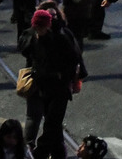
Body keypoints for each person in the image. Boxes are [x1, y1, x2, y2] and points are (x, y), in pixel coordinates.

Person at [19, 9, 81, 159]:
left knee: (52, 123)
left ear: (48, 26)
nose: (39, 31)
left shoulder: (60, 37)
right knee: (53, 123)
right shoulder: (31, 36)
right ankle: (58, 153)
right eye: (36, 28)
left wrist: (70, 78)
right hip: (43, 86)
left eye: (41, 28)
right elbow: (25, 51)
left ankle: (40, 153)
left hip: (59, 86)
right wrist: (33, 38)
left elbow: (74, 59)